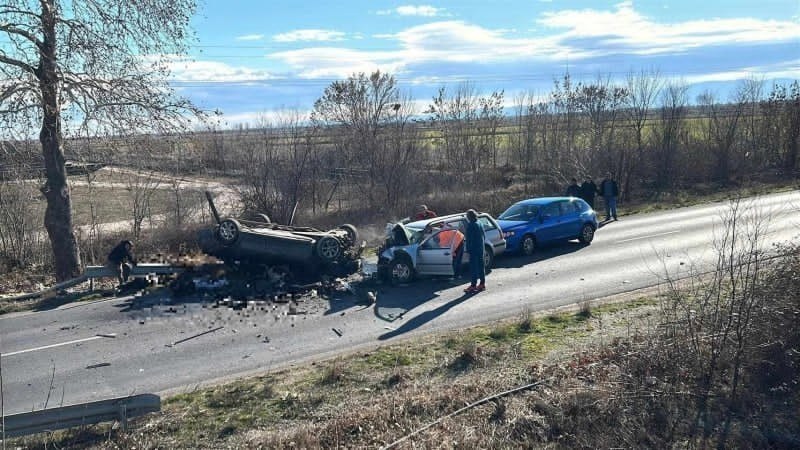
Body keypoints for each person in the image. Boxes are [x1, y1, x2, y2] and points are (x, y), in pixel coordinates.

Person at [464, 209, 486, 293]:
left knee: (473, 267)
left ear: (469, 217)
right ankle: (482, 284)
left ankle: (473, 285)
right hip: (481, 247)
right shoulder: (479, 222)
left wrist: (468, 250)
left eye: (467, 216)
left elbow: (469, 239)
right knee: (481, 266)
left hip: (474, 249)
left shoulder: (471, 225)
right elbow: (483, 235)